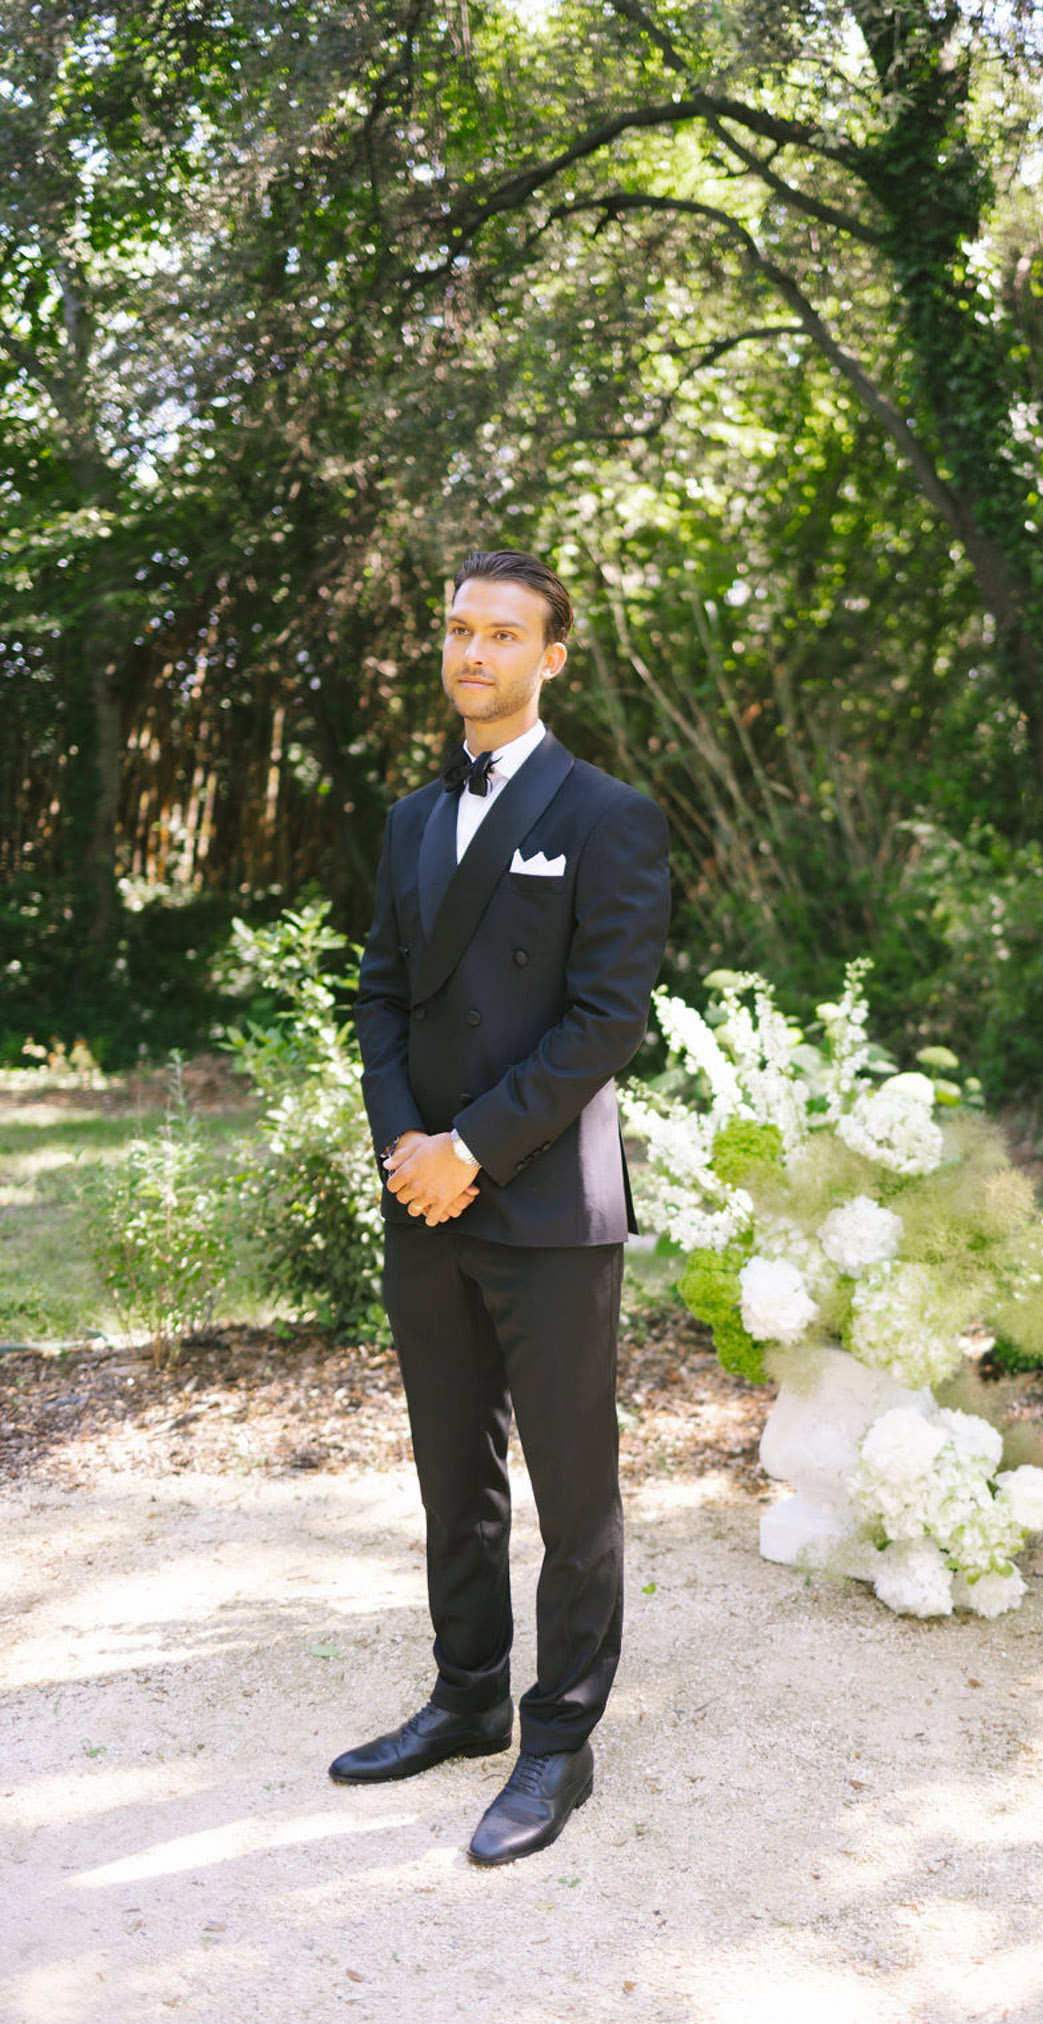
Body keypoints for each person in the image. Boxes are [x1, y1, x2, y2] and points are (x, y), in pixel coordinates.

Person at [330, 548, 670, 1866]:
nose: (472, 654)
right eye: (458, 630)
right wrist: (403, 1141)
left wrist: (469, 1145)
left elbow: (604, 1021)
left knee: (571, 1489)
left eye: (502, 634)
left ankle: (558, 1741)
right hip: (425, 1197)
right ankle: (466, 1694)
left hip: (543, 1203)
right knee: (449, 1472)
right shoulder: (415, 819)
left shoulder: (608, 813)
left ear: (551, 656)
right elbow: (379, 995)